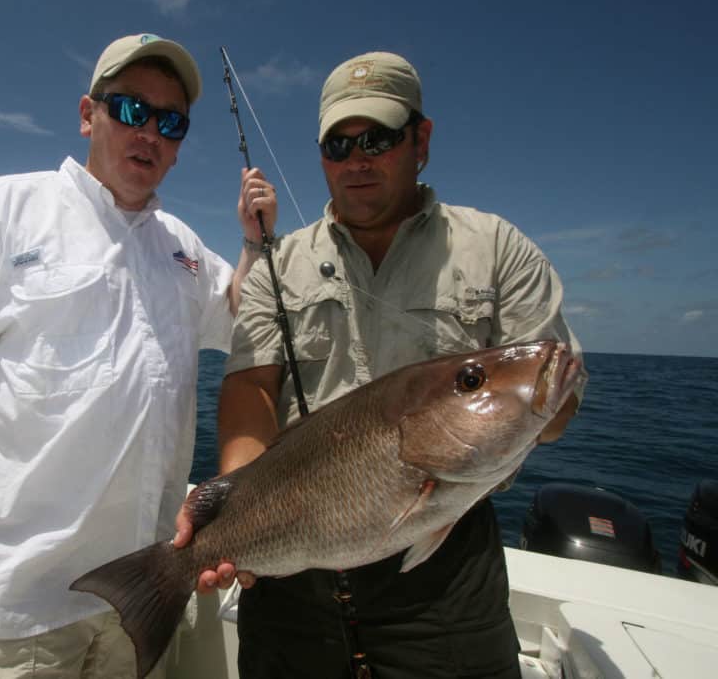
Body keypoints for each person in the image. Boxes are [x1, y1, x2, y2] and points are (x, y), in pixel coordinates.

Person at [0, 33, 276, 679]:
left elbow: (241, 320)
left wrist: (252, 244)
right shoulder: (4, 212)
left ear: (179, 146)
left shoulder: (182, 249)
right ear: (87, 114)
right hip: (14, 616)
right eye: (129, 110)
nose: (148, 131)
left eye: (170, 121)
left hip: (142, 601)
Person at [189, 51, 588, 678]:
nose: (358, 160)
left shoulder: (496, 248)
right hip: (294, 576)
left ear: (420, 140)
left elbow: (556, 409)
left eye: (377, 138)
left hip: (447, 573)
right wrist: (241, 512)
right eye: (338, 145)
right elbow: (251, 391)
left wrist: (544, 398)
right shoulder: (275, 264)